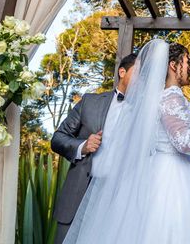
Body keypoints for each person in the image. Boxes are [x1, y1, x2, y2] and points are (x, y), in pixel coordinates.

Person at [63, 39, 190, 243]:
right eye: (188, 62)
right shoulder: (171, 97)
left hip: (169, 171)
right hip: (172, 179)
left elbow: (171, 131)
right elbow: (183, 141)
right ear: (173, 65)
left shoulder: (167, 97)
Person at [50, 52, 137, 244]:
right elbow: (57, 138)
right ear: (122, 72)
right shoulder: (90, 102)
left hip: (118, 202)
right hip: (78, 197)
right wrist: (83, 146)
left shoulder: (146, 114)